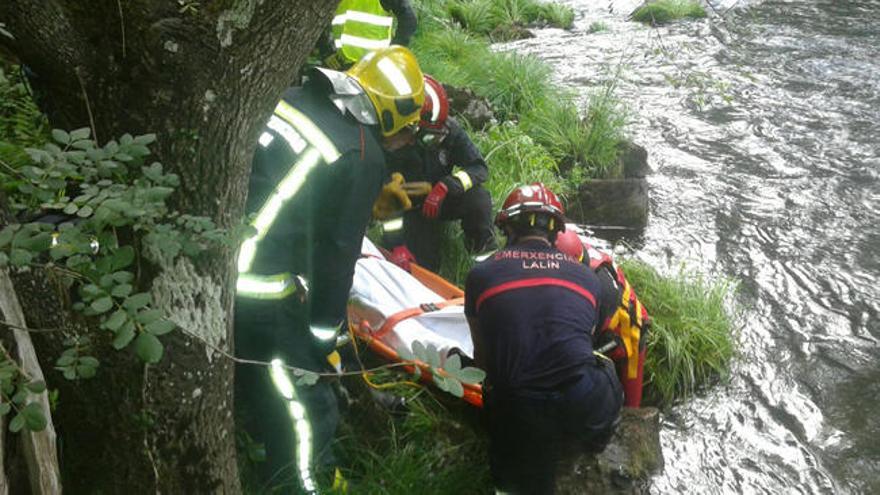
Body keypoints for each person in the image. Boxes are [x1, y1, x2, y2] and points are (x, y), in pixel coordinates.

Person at [234, 46, 425, 493]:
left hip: (219, 259)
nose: (408, 139)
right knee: (310, 406)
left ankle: (264, 448)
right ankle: (302, 485)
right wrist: (326, 342)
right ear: (393, 115)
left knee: (264, 385)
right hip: (258, 285)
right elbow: (335, 257)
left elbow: (294, 186)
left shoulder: (293, 96)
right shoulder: (362, 152)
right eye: (409, 128)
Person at [464, 183, 623, 494]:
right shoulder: (588, 278)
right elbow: (580, 342)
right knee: (603, 365)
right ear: (555, 232)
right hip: (582, 402)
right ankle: (594, 437)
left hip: (520, 410)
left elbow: (483, 361)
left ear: (507, 227)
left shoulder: (481, 275)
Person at [379, 74, 496, 272]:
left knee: (478, 199)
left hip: (443, 199)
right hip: (408, 210)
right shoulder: (389, 142)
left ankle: (486, 262)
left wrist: (448, 185)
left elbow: (478, 168)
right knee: (424, 267)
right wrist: (396, 244)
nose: (436, 139)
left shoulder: (449, 129)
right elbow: (386, 201)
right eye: (429, 135)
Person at [555, 228, 650, 408]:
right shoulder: (573, 253)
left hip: (627, 334)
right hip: (611, 314)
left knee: (630, 407)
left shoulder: (598, 291)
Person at [321, 0, 418, 70]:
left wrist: (391, 52)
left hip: (372, 68)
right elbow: (317, 17)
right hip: (338, 63)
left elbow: (409, 21)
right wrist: (325, 50)